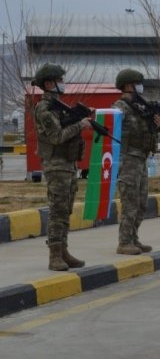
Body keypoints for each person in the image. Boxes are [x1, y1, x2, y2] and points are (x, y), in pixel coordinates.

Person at [32, 64, 92, 271]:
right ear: (49, 83)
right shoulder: (45, 108)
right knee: (57, 211)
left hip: (67, 164)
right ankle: (54, 256)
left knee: (65, 211)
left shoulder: (58, 106)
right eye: (59, 80)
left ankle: (64, 251)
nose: (62, 83)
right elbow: (56, 137)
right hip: (56, 165)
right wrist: (80, 125)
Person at [113, 69, 160, 255]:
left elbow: (145, 131)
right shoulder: (120, 107)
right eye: (137, 83)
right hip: (127, 160)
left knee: (141, 202)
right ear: (127, 85)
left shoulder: (140, 107)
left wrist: (156, 126)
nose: (141, 87)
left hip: (141, 158)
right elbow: (115, 130)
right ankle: (124, 242)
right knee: (130, 202)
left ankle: (134, 238)